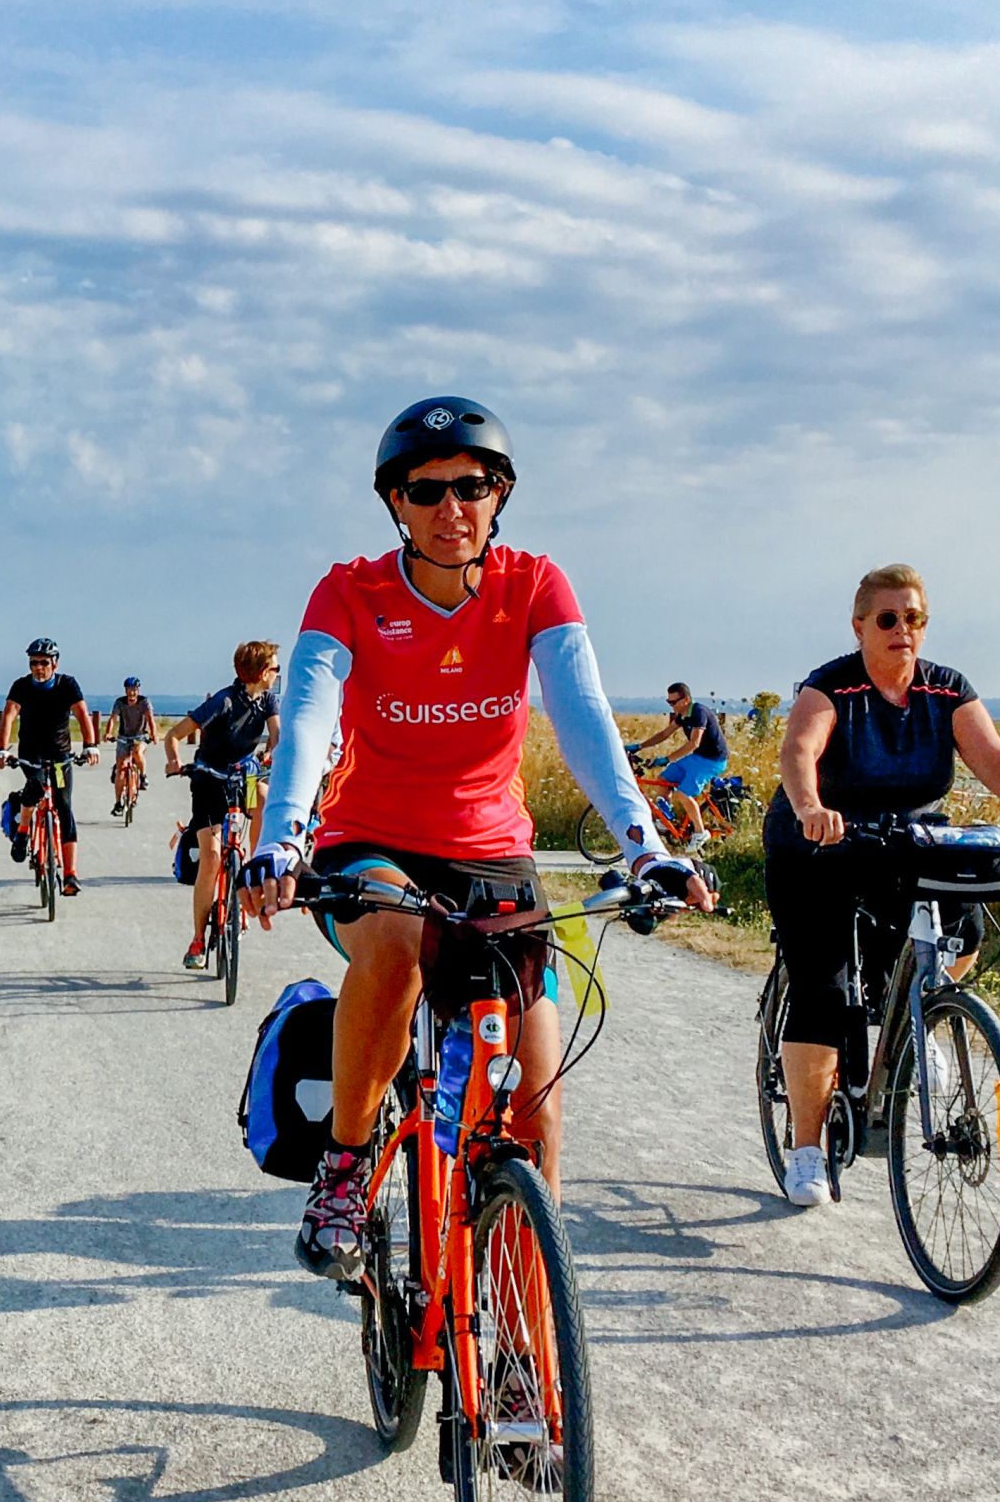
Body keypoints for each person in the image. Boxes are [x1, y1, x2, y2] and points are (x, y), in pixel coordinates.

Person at [241, 396, 712, 1278]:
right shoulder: (351, 591)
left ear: (499, 495)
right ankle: (345, 1165)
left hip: (491, 851)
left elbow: (582, 715)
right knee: (395, 948)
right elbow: (308, 711)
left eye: (472, 486)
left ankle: (526, 1334)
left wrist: (644, 845)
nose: (451, 508)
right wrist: (283, 836)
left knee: (534, 1120)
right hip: (368, 841)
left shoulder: (534, 584)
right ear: (395, 503)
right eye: (427, 491)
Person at [765, 563, 1000, 1206]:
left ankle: (924, 1018)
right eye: (888, 618)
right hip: (819, 844)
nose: (902, 630)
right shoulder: (830, 688)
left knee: (959, 921)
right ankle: (805, 1151)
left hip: (902, 842)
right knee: (823, 987)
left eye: (914, 619)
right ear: (860, 626)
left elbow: (991, 756)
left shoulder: (946, 691)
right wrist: (809, 806)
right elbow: (799, 751)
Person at [162, 641, 281, 969]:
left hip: (246, 776)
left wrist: (272, 751)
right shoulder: (223, 701)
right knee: (212, 858)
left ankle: (256, 864)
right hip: (209, 779)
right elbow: (173, 734)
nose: (277, 675)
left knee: (265, 797)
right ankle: (198, 939)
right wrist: (174, 761)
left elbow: (277, 734)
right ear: (260, 672)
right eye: (274, 669)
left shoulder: (268, 700)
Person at [0, 638, 98, 894]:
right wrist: (1, 749)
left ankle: (71, 874)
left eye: (43, 662)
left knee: (64, 806)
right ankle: (22, 831)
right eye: (33, 663)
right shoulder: (21, 686)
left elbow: (82, 714)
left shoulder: (67, 685)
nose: (38, 668)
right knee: (36, 786)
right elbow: (9, 715)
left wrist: (90, 745)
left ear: (55, 663)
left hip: (61, 755)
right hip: (31, 753)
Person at [633, 681, 729, 839]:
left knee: (684, 793)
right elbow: (664, 735)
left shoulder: (699, 712)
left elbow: (694, 743)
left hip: (712, 760)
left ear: (686, 700)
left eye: (673, 702)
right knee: (663, 780)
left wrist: (667, 759)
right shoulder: (682, 715)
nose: (671, 706)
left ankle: (700, 833)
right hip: (697, 757)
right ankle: (667, 821)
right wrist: (639, 746)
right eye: (668, 702)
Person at [107, 677, 158, 816]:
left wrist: (154, 735)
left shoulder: (144, 702)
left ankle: (143, 776)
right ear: (126, 691)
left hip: (140, 736)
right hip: (124, 737)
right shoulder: (120, 702)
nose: (132, 693)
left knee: (138, 753)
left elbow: (150, 719)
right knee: (120, 769)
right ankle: (118, 802)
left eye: (134, 690)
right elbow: (113, 718)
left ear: (138, 690)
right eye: (129, 690)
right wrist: (108, 733)